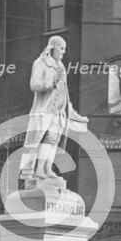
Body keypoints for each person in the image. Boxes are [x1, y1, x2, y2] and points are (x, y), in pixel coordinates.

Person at [22, 35, 88, 180]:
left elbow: (64, 95)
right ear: (52, 47)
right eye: (61, 48)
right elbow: (34, 84)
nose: (63, 52)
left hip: (58, 114)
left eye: (65, 49)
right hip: (44, 111)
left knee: (53, 140)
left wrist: (73, 114)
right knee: (44, 139)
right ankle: (38, 169)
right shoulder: (41, 63)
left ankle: (47, 169)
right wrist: (51, 84)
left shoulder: (61, 67)